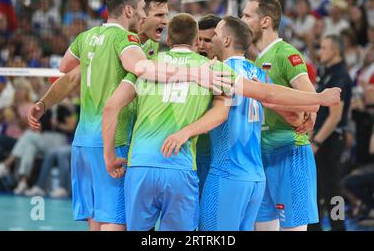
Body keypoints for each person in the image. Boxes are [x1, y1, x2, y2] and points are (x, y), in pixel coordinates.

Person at [102, 13, 341, 231]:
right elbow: (270, 97)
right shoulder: (255, 72)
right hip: (255, 178)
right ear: (195, 40)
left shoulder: (212, 70)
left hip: (223, 174)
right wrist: (310, 105)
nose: (209, 41)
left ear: (226, 41)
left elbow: (114, 103)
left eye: (215, 35)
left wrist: (316, 100)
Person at [27, 0, 232, 232]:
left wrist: (42, 104)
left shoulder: (121, 44)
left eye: (166, 16)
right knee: (115, 221)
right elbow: (80, 79)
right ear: (134, 12)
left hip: (86, 141)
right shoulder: (131, 47)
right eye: (155, 14)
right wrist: (197, 74)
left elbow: (69, 73)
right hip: (116, 140)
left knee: (98, 218)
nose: (162, 21)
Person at [242, 0, 319, 231]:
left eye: (247, 15)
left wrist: (302, 116)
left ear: (265, 21)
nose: (241, 20)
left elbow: (311, 100)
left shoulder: (286, 53)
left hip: (289, 152)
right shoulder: (255, 62)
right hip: (261, 155)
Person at [309, 35, 353, 231]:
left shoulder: (340, 76)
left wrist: (316, 142)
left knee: (333, 190)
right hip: (321, 137)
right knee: (316, 188)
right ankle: (315, 227)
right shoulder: (327, 73)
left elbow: (335, 116)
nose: (320, 52)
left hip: (331, 140)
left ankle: (338, 227)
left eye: (324, 48)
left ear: (336, 50)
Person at [194, 14, 221, 194]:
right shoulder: (190, 70)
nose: (202, 45)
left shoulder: (233, 70)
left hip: (221, 158)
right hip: (196, 155)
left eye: (208, 40)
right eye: (199, 40)